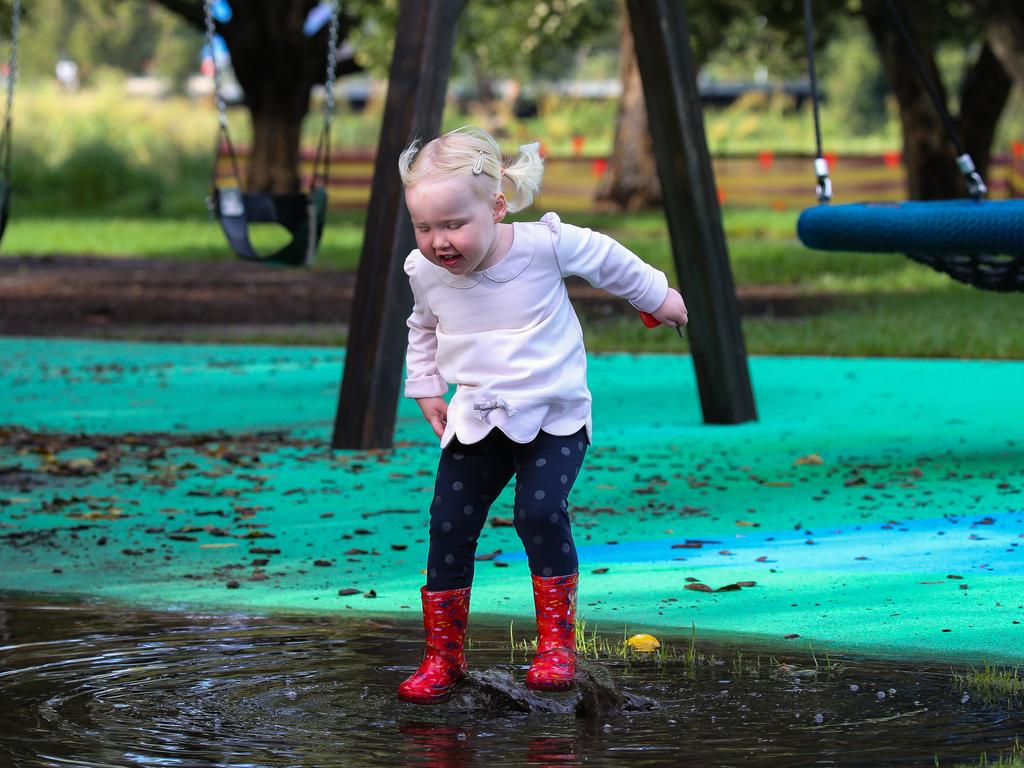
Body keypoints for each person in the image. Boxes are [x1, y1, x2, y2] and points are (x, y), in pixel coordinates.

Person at [396, 126, 687, 704]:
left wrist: (657, 299)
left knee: (539, 511)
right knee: (449, 524)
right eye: (425, 227)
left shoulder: (544, 245)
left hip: (555, 416)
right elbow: (422, 327)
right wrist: (426, 385)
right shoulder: (426, 270)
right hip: (477, 418)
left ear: (497, 207)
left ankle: (556, 649)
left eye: (454, 224)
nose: (439, 241)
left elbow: (611, 260)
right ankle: (443, 658)